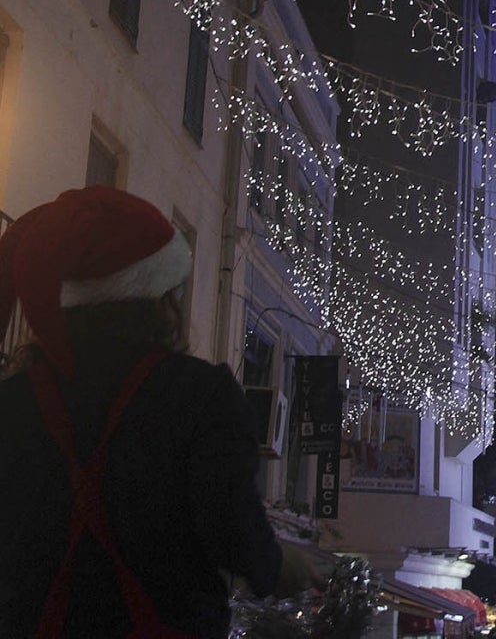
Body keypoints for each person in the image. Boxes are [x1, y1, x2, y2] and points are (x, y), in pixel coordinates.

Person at [0, 187, 297, 637]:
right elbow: (236, 539)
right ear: (159, 296)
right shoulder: (201, 396)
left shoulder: (15, 400)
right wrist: (283, 566)